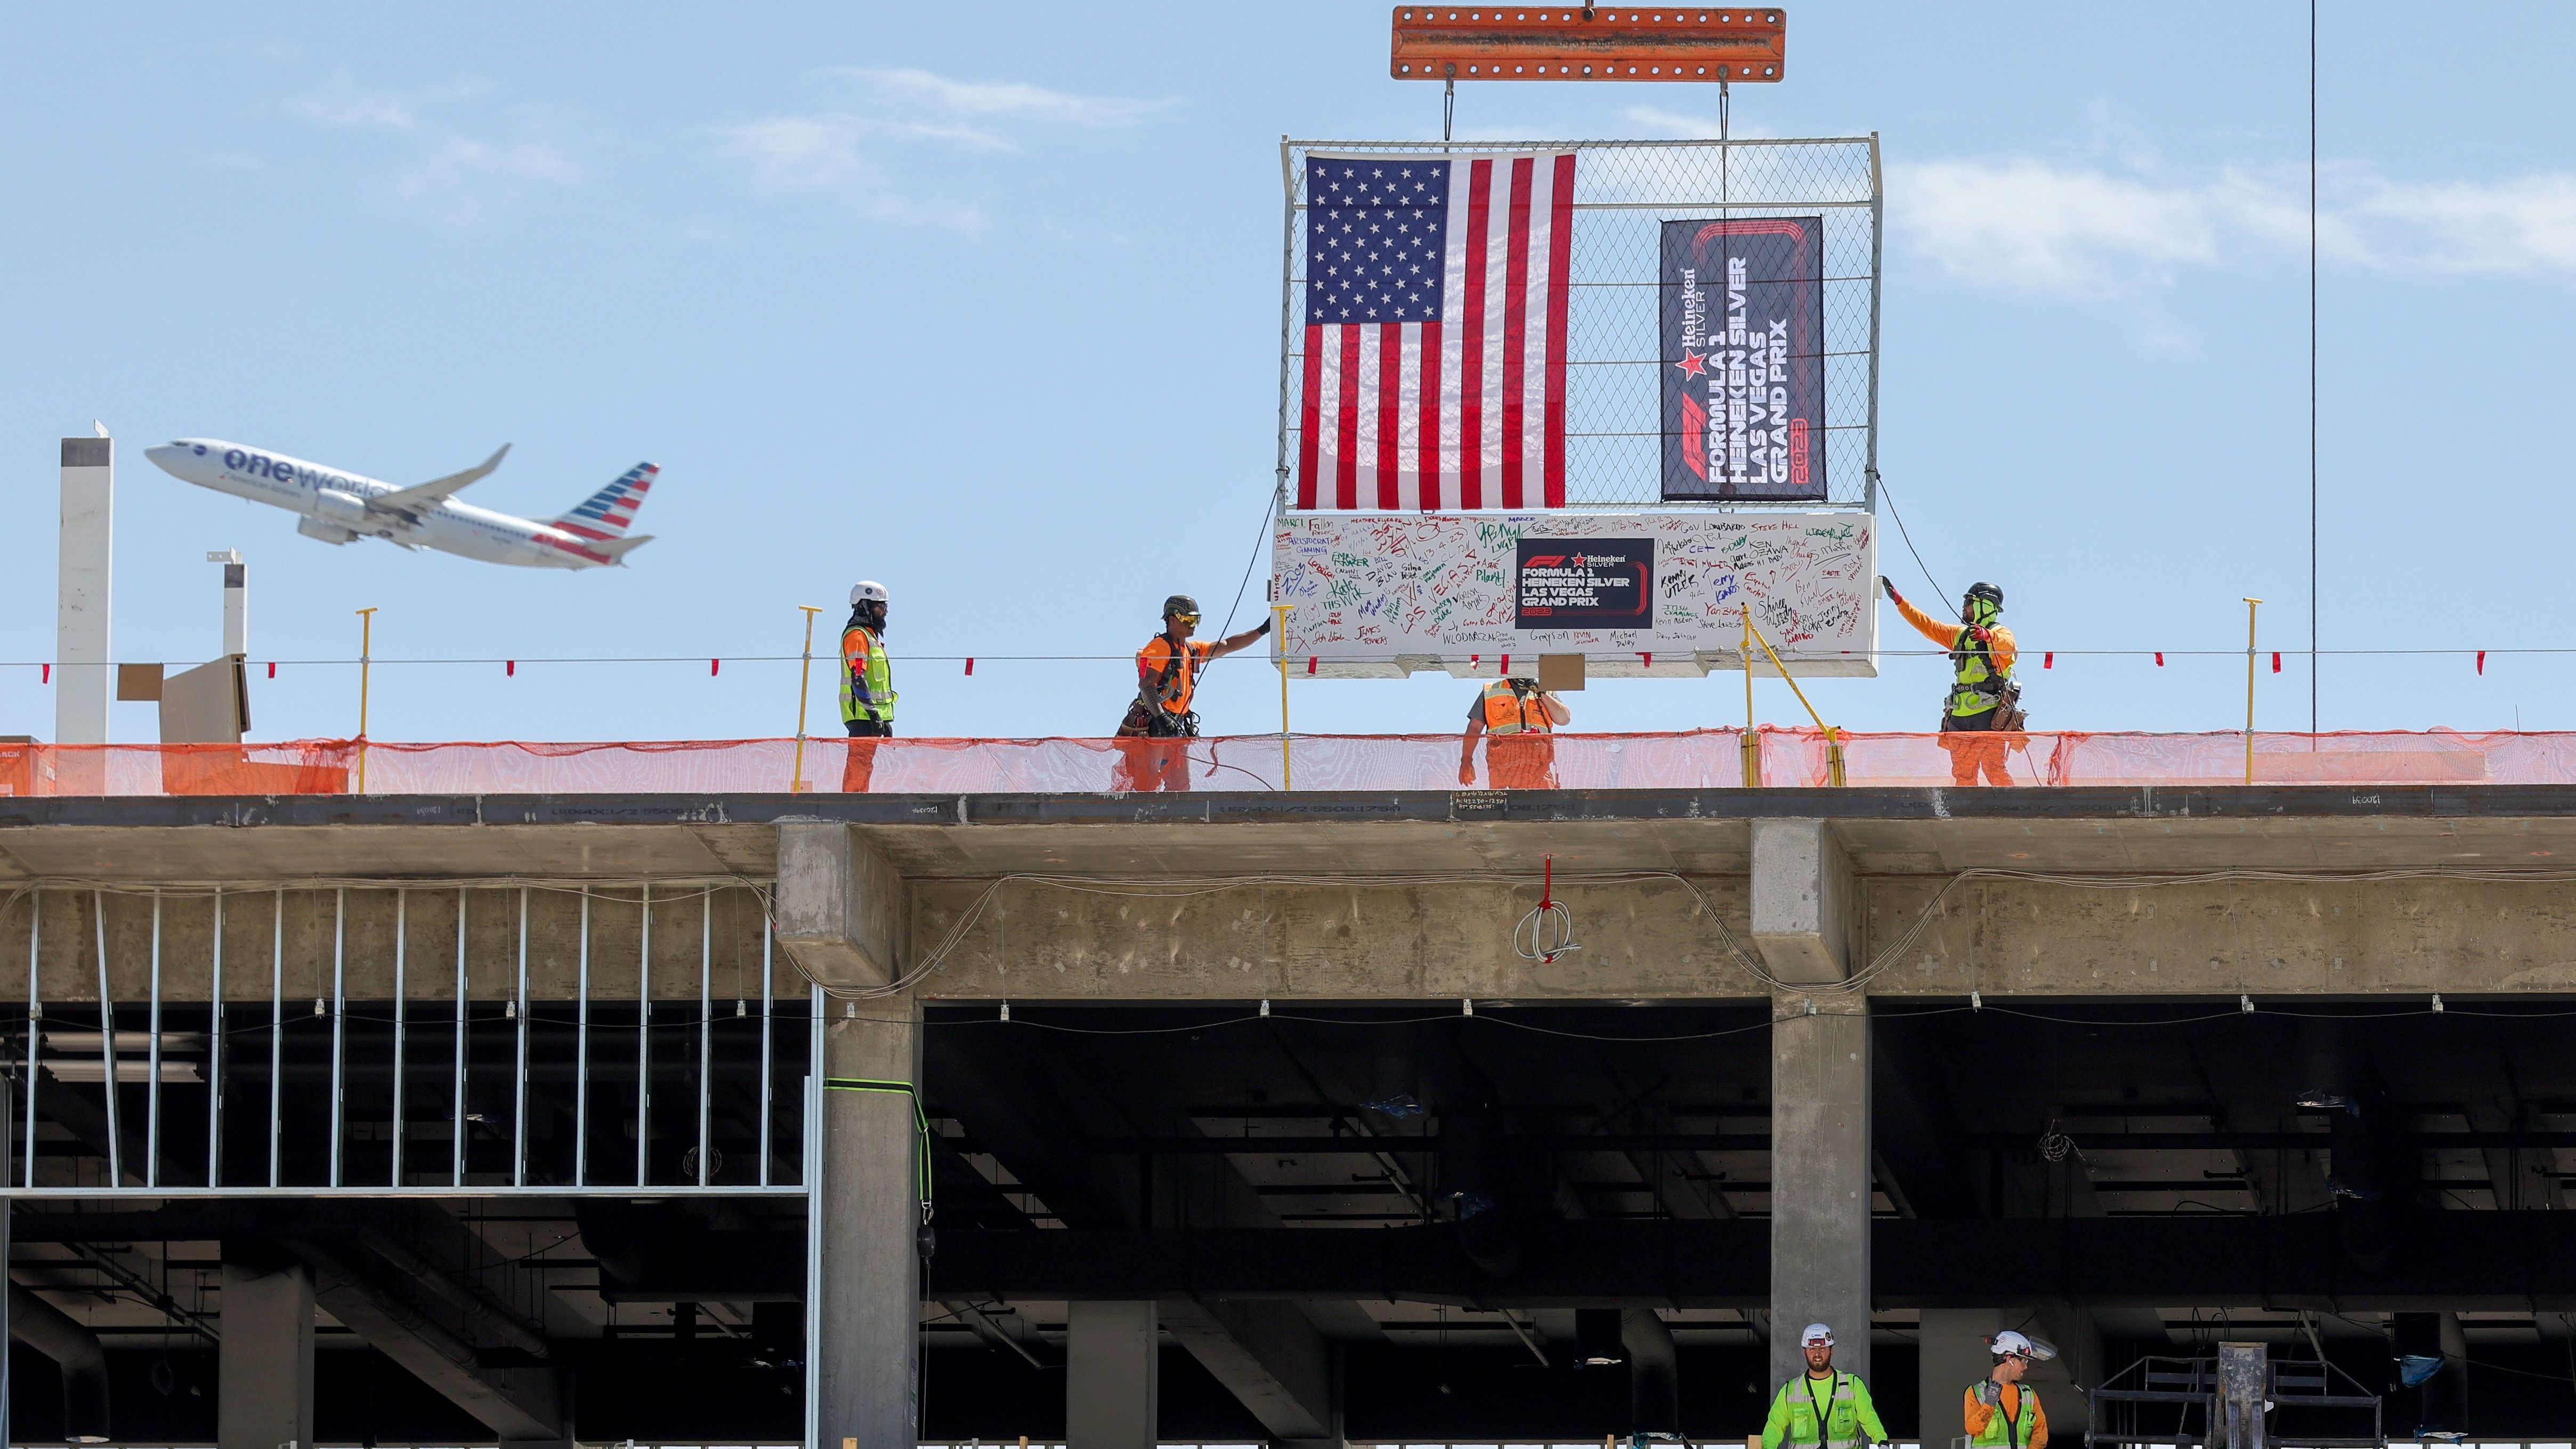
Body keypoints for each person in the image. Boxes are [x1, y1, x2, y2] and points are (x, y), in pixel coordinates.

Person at [1111, 594, 1269, 792]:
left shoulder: (1190, 650)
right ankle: (1144, 822)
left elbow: (1226, 646)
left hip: (1174, 726)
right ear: (1172, 620)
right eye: (1188, 619)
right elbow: (1146, 684)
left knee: (1180, 786)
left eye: (1196, 619)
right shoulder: (1160, 647)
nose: (1193, 625)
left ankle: (1172, 822)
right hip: (1154, 726)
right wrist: (1161, 717)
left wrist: (1262, 630)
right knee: (1147, 783)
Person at [1882, 577, 2022, 787]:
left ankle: (2012, 814)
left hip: (1988, 716)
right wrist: (1901, 602)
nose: (1964, 608)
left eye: (1969, 602)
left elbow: (2008, 645)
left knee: (1994, 769)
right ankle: (1967, 817)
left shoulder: (2001, 633)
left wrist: (1987, 636)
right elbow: (1928, 626)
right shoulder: (1960, 635)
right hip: (1958, 716)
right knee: (1963, 773)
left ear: (1984, 606)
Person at [1761, 1322, 1891, 1449]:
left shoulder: (1853, 1385)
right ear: (1805, 1352)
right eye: (1812, 1349)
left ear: (1832, 1351)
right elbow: (1775, 1426)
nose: (1817, 1354)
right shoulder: (1790, 1390)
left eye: (1822, 1349)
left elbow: (1869, 1418)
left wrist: (1881, 1440)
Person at [1459, 675, 1570, 789]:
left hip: (1539, 769)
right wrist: (1466, 760)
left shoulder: (1545, 691)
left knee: (1545, 805)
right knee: (1502, 806)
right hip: (1503, 769)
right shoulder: (1492, 691)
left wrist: (1540, 692)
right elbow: (1474, 728)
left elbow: (1564, 719)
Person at [839, 581, 896, 793]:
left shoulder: (871, 638)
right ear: (865, 606)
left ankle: (859, 798)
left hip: (870, 714)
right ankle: (852, 803)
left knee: (866, 763)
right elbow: (858, 678)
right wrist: (874, 713)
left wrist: (883, 717)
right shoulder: (857, 636)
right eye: (881, 607)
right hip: (861, 715)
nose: (885, 612)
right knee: (859, 761)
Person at [1962, 1329, 2055, 1449]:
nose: (2026, 1366)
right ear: (2009, 1359)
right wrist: (1989, 1404)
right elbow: (1972, 1429)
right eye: (2023, 1360)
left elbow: (2041, 1431)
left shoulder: (2028, 1394)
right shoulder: (1976, 1392)